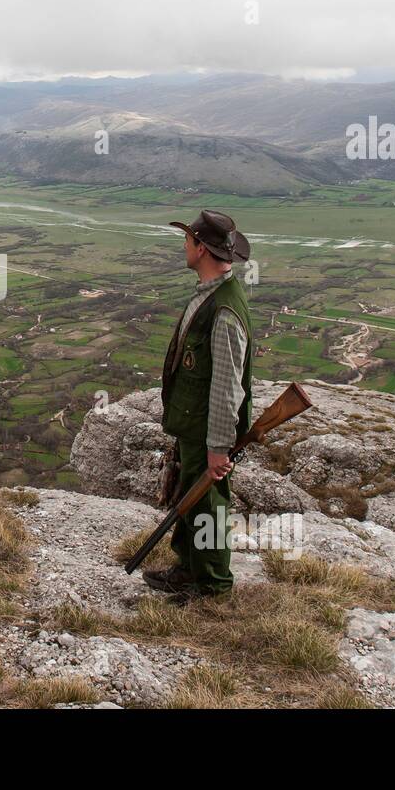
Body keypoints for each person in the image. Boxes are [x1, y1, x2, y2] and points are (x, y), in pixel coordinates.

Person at [143, 210, 253, 601]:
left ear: (202, 249)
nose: (184, 246)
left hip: (209, 429)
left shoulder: (222, 311)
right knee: (190, 498)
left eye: (188, 241)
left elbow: (227, 385)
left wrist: (219, 447)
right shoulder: (211, 294)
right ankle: (188, 569)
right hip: (196, 425)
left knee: (207, 506)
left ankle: (212, 586)